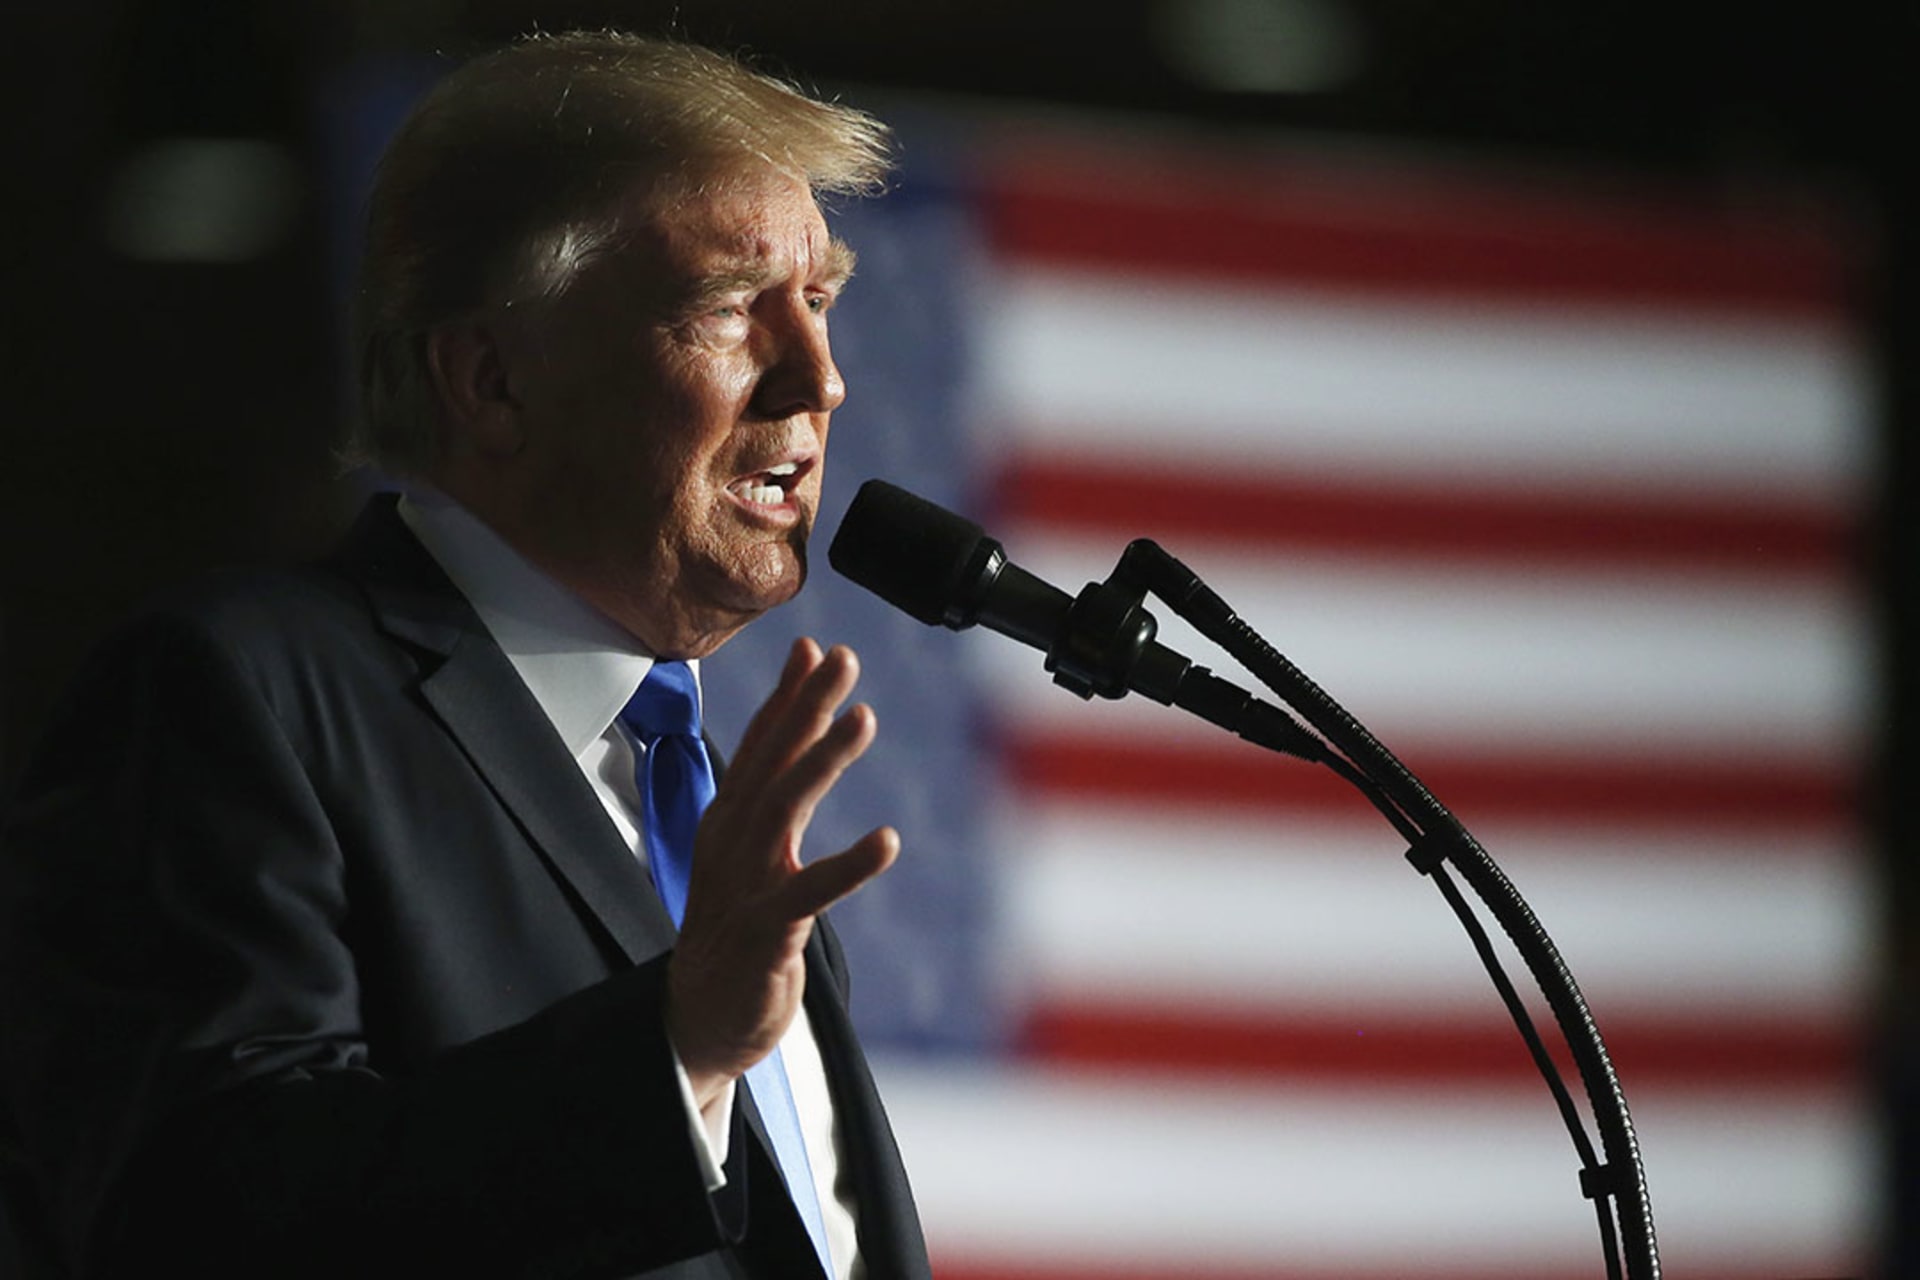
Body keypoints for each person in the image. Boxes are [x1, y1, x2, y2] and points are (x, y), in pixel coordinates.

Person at [0, 31, 929, 1280]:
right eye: (726, 307)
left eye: (818, 302)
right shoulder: (239, 697)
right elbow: (189, 1212)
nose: (817, 380)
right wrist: (674, 1052)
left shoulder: (709, 811)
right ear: (492, 379)